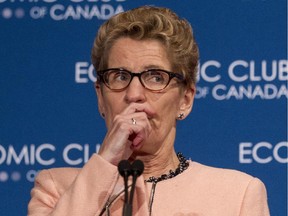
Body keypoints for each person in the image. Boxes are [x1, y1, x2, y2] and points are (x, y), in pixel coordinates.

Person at [28, 6, 270, 216]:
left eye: (155, 77)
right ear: (100, 97)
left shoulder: (237, 194)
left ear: (185, 99)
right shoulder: (56, 189)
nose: (134, 94)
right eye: (120, 76)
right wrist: (106, 163)